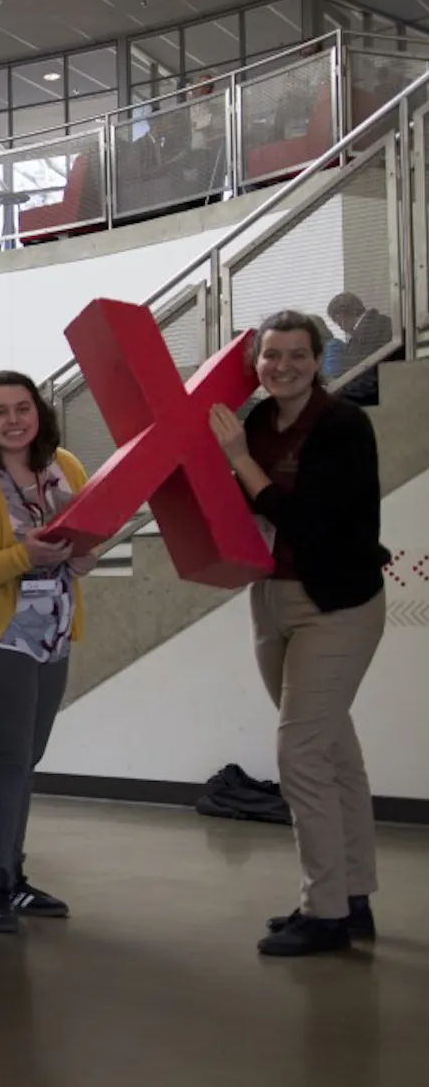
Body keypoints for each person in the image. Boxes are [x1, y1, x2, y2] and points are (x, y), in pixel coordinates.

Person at [208, 310, 389, 957]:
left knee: (301, 754)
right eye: (271, 355)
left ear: (318, 360)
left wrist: (238, 461)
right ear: (256, 362)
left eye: (297, 354)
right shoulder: (257, 422)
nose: (282, 366)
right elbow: (241, 505)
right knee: (332, 749)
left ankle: (325, 912)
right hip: (271, 596)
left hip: (337, 603)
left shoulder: (343, 425)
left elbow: (307, 519)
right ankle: (352, 893)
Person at [0, 370, 96, 935]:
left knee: (27, 758)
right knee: (7, 757)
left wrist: (83, 558)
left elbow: (85, 541)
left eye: (22, 408)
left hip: (53, 633)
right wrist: (22, 558)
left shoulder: (66, 466)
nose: (13, 420)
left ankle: (14, 874)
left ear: (39, 411)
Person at [326, 292, 398, 407]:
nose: (340, 326)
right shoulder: (385, 323)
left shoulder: (366, 334)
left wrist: (339, 390)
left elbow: (366, 379)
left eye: (337, 320)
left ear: (341, 316)